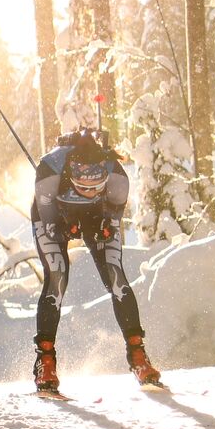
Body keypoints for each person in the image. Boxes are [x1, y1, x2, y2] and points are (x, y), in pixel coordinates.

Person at [30, 127, 161, 394]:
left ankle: (138, 356)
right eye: (82, 187)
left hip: (96, 216)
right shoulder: (49, 171)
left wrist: (101, 225)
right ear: (71, 173)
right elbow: (50, 224)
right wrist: (67, 228)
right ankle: (45, 360)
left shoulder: (118, 178)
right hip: (54, 214)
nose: (89, 191)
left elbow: (112, 217)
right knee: (57, 276)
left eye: (95, 187)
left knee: (116, 276)